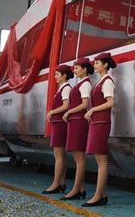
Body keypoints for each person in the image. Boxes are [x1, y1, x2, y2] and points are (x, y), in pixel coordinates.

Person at [83, 52, 116, 207]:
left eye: (97, 63)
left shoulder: (107, 81)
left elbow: (110, 102)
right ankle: (102, 195)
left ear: (105, 65)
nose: (94, 65)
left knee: (102, 161)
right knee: (100, 160)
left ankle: (98, 196)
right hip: (97, 122)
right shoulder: (101, 81)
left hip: (102, 123)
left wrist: (92, 110)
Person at [61, 57, 93, 201]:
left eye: (77, 68)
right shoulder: (80, 83)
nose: (74, 70)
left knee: (79, 158)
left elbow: (84, 104)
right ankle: (81, 189)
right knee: (76, 157)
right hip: (74, 121)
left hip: (79, 121)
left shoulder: (85, 84)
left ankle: (75, 189)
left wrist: (68, 112)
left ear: (84, 69)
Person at [42, 64, 73, 194]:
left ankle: (56, 184)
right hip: (58, 123)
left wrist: (51, 112)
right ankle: (61, 182)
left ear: (64, 75)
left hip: (60, 123)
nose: (55, 77)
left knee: (58, 155)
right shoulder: (63, 88)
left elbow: (66, 105)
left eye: (57, 74)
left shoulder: (65, 88)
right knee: (60, 155)